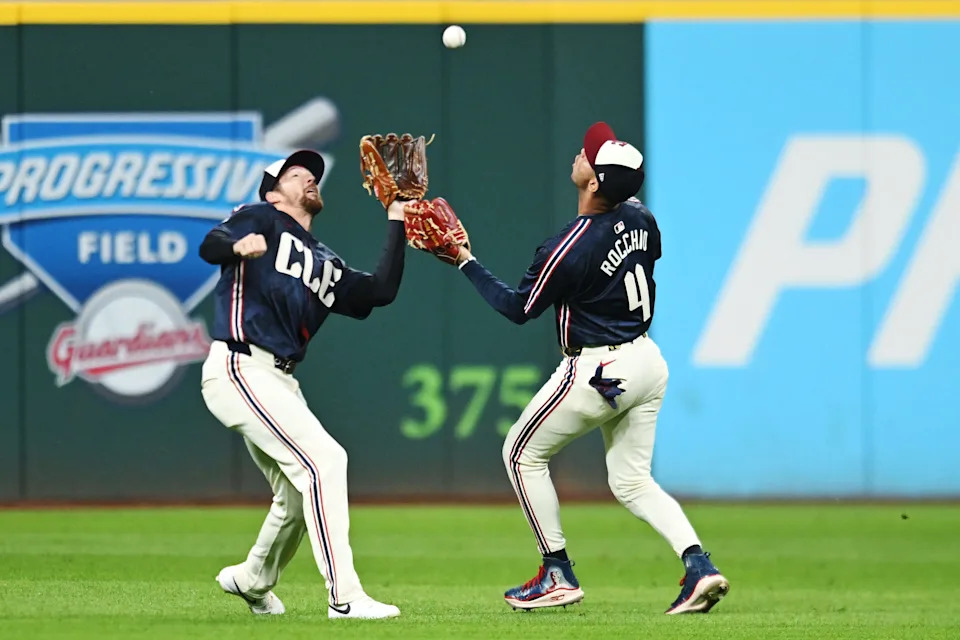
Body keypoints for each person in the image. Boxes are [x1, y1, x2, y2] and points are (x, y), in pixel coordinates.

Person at [447, 123, 730, 614]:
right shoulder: (642, 218)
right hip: (647, 359)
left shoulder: (571, 245)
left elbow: (519, 308)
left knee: (519, 453)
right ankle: (698, 566)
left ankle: (556, 571)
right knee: (632, 481)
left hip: (600, 367)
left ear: (595, 182)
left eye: (591, 154)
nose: (583, 150)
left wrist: (463, 259)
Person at [198, 149, 406, 619]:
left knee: (294, 493)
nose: (309, 179)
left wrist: (397, 215)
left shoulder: (325, 260)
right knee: (326, 461)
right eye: (296, 175)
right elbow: (210, 245)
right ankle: (345, 598)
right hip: (240, 366)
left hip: (280, 381)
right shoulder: (261, 218)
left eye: (313, 176)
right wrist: (236, 247)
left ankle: (252, 579)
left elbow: (379, 292)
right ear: (273, 192)